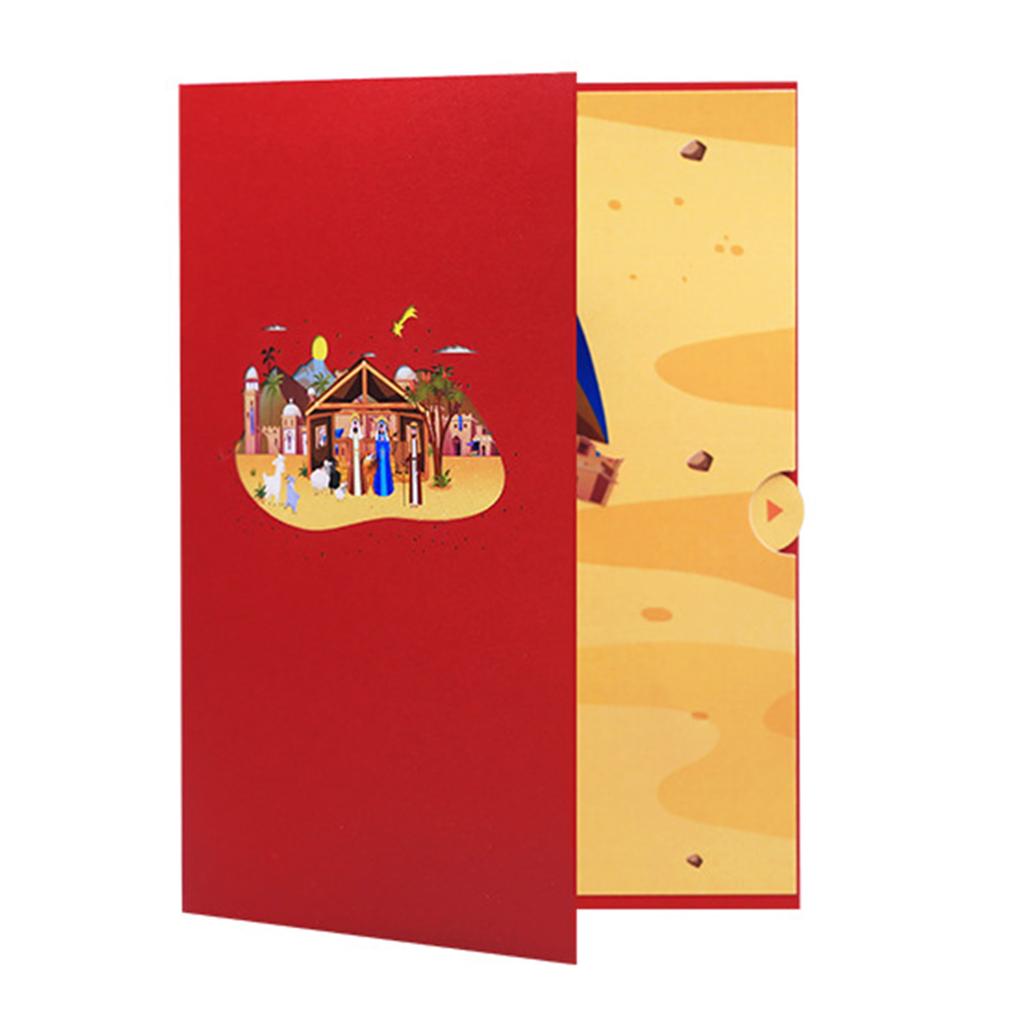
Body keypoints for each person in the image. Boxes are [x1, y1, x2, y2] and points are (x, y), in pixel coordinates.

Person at [373, 418, 394, 497]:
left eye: (383, 426)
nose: (381, 428)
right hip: (379, 459)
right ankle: (379, 490)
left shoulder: (386, 438)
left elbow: (388, 448)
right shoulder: (377, 437)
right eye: (380, 426)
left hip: (385, 460)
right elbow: (376, 447)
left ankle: (387, 490)